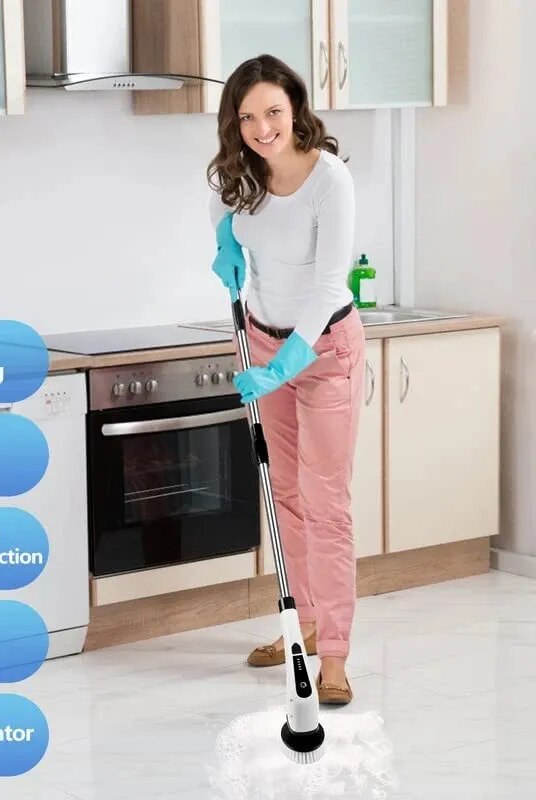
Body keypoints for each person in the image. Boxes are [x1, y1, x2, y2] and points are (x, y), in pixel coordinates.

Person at [207, 54, 365, 705]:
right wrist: (225, 245)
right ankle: (297, 627)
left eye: (272, 111)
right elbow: (225, 228)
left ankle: (333, 654)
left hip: (323, 352)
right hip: (265, 341)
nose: (261, 127)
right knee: (286, 500)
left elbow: (330, 285)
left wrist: (283, 365)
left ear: (295, 107)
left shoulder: (330, 179)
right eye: (247, 117)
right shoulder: (234, 176)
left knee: (326, 505)